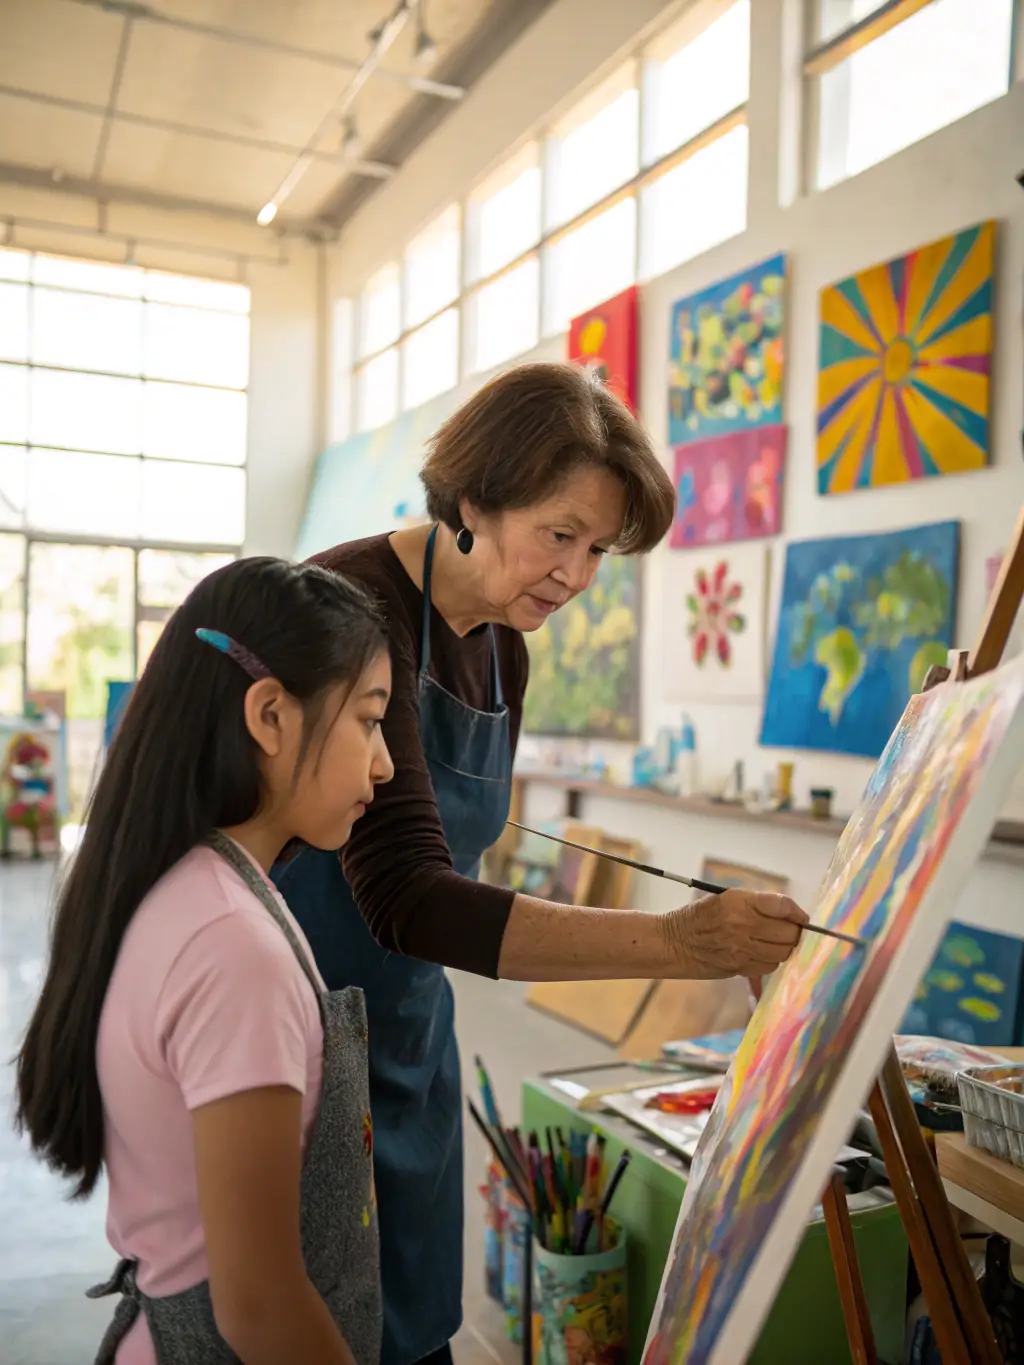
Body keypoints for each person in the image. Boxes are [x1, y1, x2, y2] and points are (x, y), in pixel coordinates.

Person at [272, 361, 809, 1365]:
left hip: (412, 1036)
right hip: (298, 1035)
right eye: (559, 534)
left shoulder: (504, 648)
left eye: (597, 549)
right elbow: (408, 900)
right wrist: (681, 942)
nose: (574, 573)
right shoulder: (351, 607)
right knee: (321, 1327)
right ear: (476, 497)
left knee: (417, 1323)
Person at [15, 558, 395, 1365]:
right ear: (269, 715)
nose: (385, 761)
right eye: (369, 719)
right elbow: (259, 1305)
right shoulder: (232, 946)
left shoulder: (197, 885)